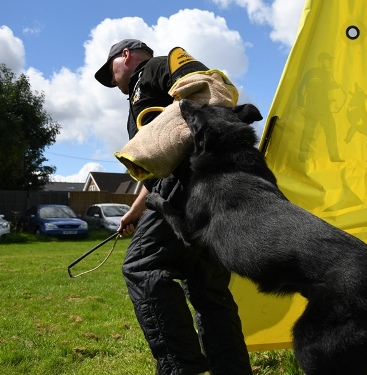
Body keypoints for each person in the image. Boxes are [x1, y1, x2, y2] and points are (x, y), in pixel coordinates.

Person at [94, 39, 252, 375]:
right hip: (204, 188)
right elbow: (158, 171)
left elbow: (205, 86)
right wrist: (135, 211)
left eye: (111, 72)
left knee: (141, 265)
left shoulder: (156, 67)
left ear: (126, 56)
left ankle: (180, 368)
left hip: (189, 182)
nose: (113, 82)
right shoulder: (143, 93)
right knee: (207, 285)